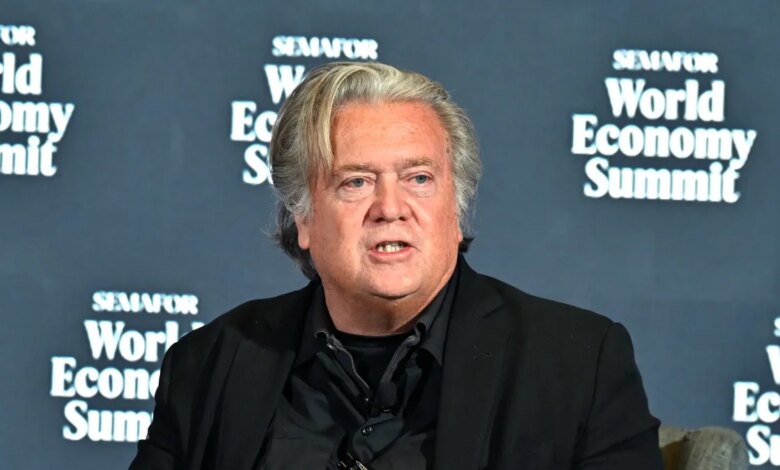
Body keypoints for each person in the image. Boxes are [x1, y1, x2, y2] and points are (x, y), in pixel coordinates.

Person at [130, 61, 662, 469]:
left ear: (456, 211)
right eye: (355, 182)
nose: (390, 207)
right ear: (303, 218)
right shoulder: (209, 365)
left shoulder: (577, 365)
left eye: (418, 179)